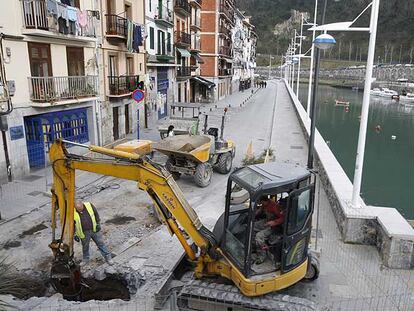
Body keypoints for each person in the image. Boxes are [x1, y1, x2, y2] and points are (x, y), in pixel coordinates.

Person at [74, 200, 114, 266]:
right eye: (77, 209)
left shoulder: (89, 205)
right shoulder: (73, 211)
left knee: (100, 243)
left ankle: (108, 257)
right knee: (85, 246)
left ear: (82, 204)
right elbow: (72, 224)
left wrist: (98, 224)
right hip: (84, 233)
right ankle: (85, 259)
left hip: (94, 229)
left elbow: (96, 214)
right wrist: (75, 234)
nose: (79, 210)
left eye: (80, 208)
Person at [254, 197, 285, 264]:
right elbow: (261, 209)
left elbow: (283, 218)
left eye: (260, 202)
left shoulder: (275, 207)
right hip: (267, 221)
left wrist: (273, 222)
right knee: (252, 226)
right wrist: (257, 212)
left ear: (263, 201)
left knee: (258, 236)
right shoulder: (265, 204)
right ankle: (254, 245)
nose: (260, 204)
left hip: (274, 227)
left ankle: (262, 256)